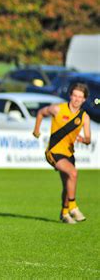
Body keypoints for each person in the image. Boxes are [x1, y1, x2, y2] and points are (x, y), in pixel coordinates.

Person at [33, 82, 91, 224]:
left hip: (69, 154)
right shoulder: (57, 109)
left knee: (67, 184)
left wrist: (84, 139)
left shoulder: (84, 117)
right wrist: (36, 130)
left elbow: (89, 139)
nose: (77, 99)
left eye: (80, 97)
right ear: (70, 95)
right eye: (75, 95)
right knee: (73, 173)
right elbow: (41, 112)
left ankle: (64, 213)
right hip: (53, 151)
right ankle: (73, 206)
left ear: (84, 100)